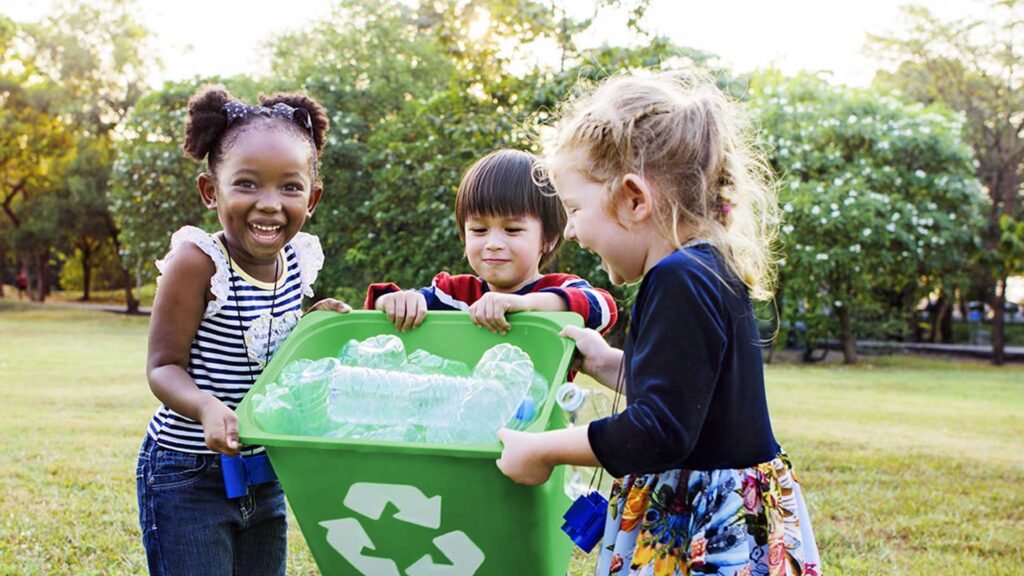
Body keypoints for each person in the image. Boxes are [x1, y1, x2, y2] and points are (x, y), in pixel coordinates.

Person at [496, 73, 821, 576]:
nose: (575, 230)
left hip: (704, 526)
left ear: (633, 199)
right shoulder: (708, 265)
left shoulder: (677, 278)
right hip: (733, 512)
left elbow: (660, 431)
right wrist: (605, 362)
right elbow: (687, 394)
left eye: (576, 209)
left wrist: (543, 450)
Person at [137, 85, 350, 576]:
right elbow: (162, 366)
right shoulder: (197, 262)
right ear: (211, 191)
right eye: (248, 184)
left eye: (290, 187)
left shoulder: (298, 259)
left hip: (264, 471)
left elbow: (270, 349)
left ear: (312, 197)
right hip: (188, 474)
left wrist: (311, 326)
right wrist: (207, 408)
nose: (270, 204)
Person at [364, 148, 617, 336]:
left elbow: (604, 309)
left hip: (543, 409)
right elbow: (380, 305)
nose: (493, 243)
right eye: (479, 229)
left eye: (512, 229)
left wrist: (525, 304)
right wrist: (395, 302)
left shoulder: (558, 289)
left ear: (549, 239)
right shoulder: (454, 296)